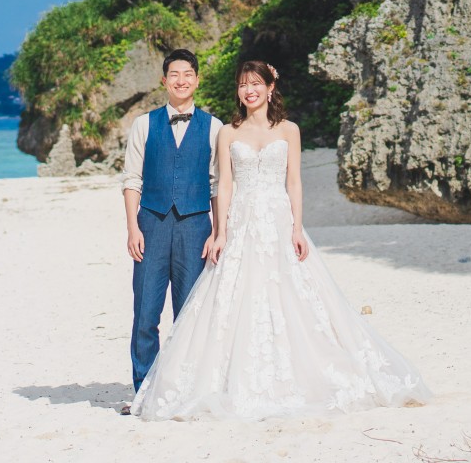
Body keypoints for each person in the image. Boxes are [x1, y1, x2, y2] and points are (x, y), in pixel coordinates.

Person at [130, 60, 431, 422]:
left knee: (293, 301)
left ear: (270, 88)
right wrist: (221, 229)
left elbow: (293, 182)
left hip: (277, 220)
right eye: (243, 84)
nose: (249, 90)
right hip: (239, 222)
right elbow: (223, 184)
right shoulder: (227, 131)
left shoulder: (289, 130)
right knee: (220, 304)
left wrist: (297, 227)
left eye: (256, 83)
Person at [121, 48, 223, 412]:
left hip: (197, 227)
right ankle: (143, 391)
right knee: (146, 311)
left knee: (190, 314)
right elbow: (132, 179)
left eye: (187, 74)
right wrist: (133, 227)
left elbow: (217, 185)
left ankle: (184, 389)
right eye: (174, 74)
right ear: (164, 81)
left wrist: (218, 232)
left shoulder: (214, 127)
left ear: (197, 79)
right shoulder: (143, 125)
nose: (181, 80)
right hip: (151, 223)